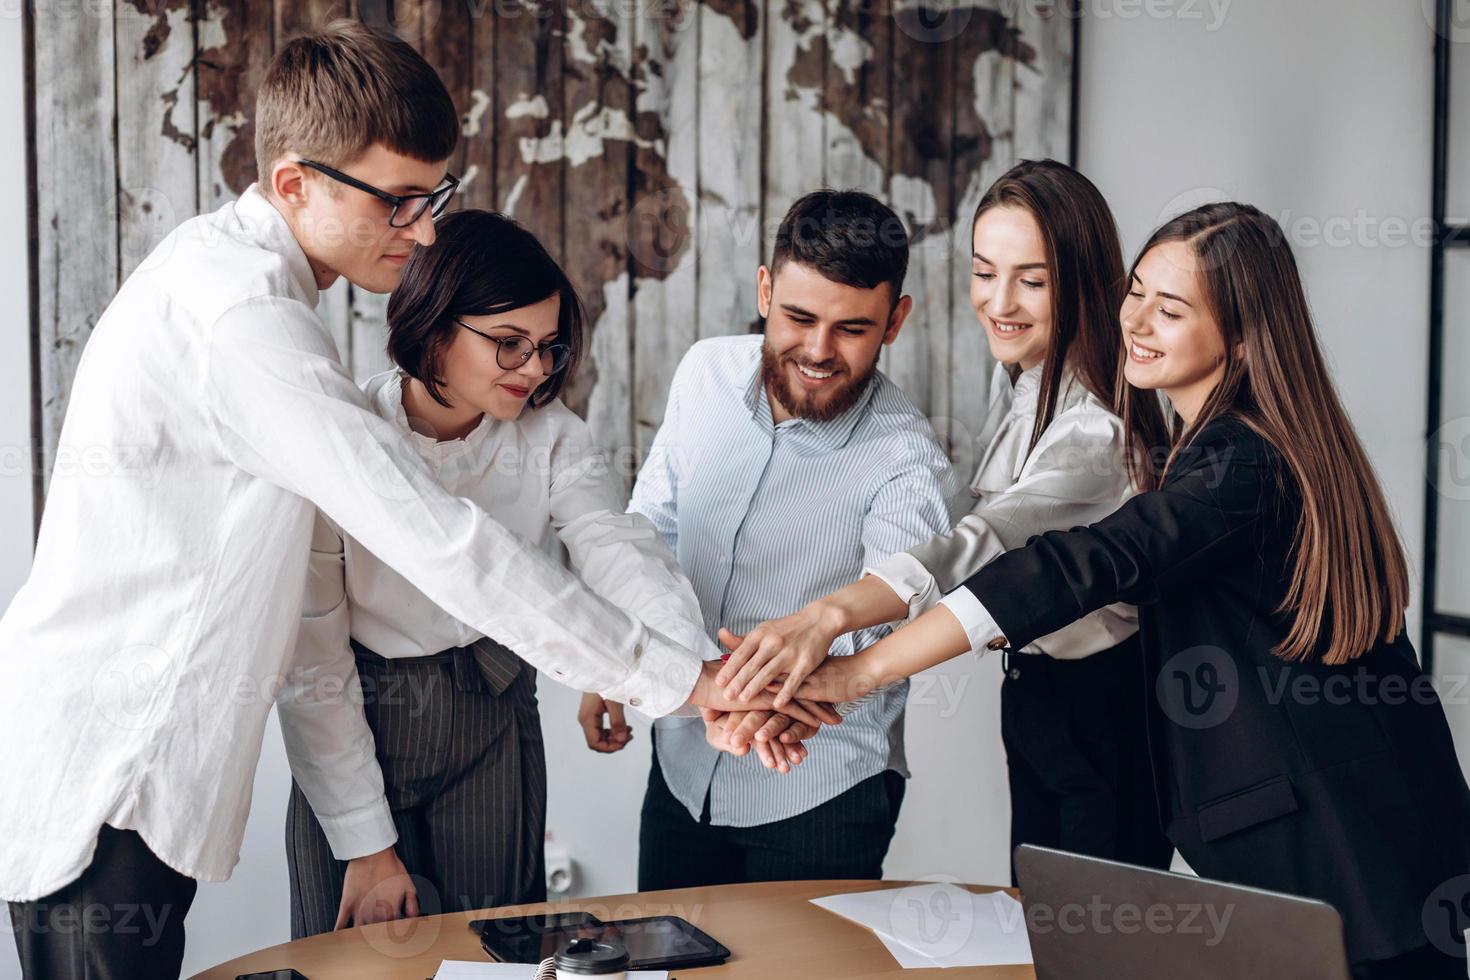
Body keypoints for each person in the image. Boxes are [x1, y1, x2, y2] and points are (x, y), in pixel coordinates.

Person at [0, 23, 816, 979]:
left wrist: (672, 668)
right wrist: (682, 683)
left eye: (433, 199)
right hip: (110, 775)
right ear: (297, 183)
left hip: (130, 772)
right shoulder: (246, 326)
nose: (424, 231)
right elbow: (440, 541)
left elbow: (607, 541)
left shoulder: (234, 284)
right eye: (397, 202)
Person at [792, 202, 1470, 979]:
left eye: (1171, 309)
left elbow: (1076, 565)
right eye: (1137, 291)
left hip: (1346, 856)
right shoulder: (1234, 440)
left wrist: (857, 666)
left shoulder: (1239, 461)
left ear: (1244, 339)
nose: (1137, 321)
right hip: (1384, 836)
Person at [281, 210, 831, 937]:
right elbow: (312, 647)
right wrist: (366, 844)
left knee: (496, 950)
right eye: (509, 345)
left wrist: (711, 682)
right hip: (355, 713)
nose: (537, 369)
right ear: (434, 326)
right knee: (345, 957)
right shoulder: (345, 439)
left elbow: (622, 555)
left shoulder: (553, 438)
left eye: (546, 347)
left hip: (494, 721)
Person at [718, 160, 1174, 879]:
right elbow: (956, 534)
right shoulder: (1023, 379)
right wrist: (798, 683)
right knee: (1041, 930)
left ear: (1084, 283)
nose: (999, 302)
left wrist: (829, 619)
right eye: (984, 271)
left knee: (1100, 945)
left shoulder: (1098, 431)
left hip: (1106, 711)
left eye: (1032, 278)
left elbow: (980, 548)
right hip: (1037, 696)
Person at [578, 189, 958, 889]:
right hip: (682, 766)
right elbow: (650, 530)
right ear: (765, 289)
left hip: (821, 791)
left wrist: (775, 707)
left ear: (894, 320)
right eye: (798, 317)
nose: (818, 350)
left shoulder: (908, 459)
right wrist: (617, 664)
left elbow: (893, 618)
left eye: (852, 328)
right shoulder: (704, 373)